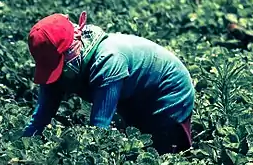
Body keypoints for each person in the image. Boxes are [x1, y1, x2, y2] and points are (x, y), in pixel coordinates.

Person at [22, 12, 196, 154]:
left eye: (59, 65)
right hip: (135, 94)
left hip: (169, 91)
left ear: (71, 49)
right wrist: (24, 147)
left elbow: (100, 127)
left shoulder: (108, 61)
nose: (57, 73)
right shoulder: (61, 66)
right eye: (51, 68)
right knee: (136, 142)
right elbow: (41, 116)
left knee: (161, 153)